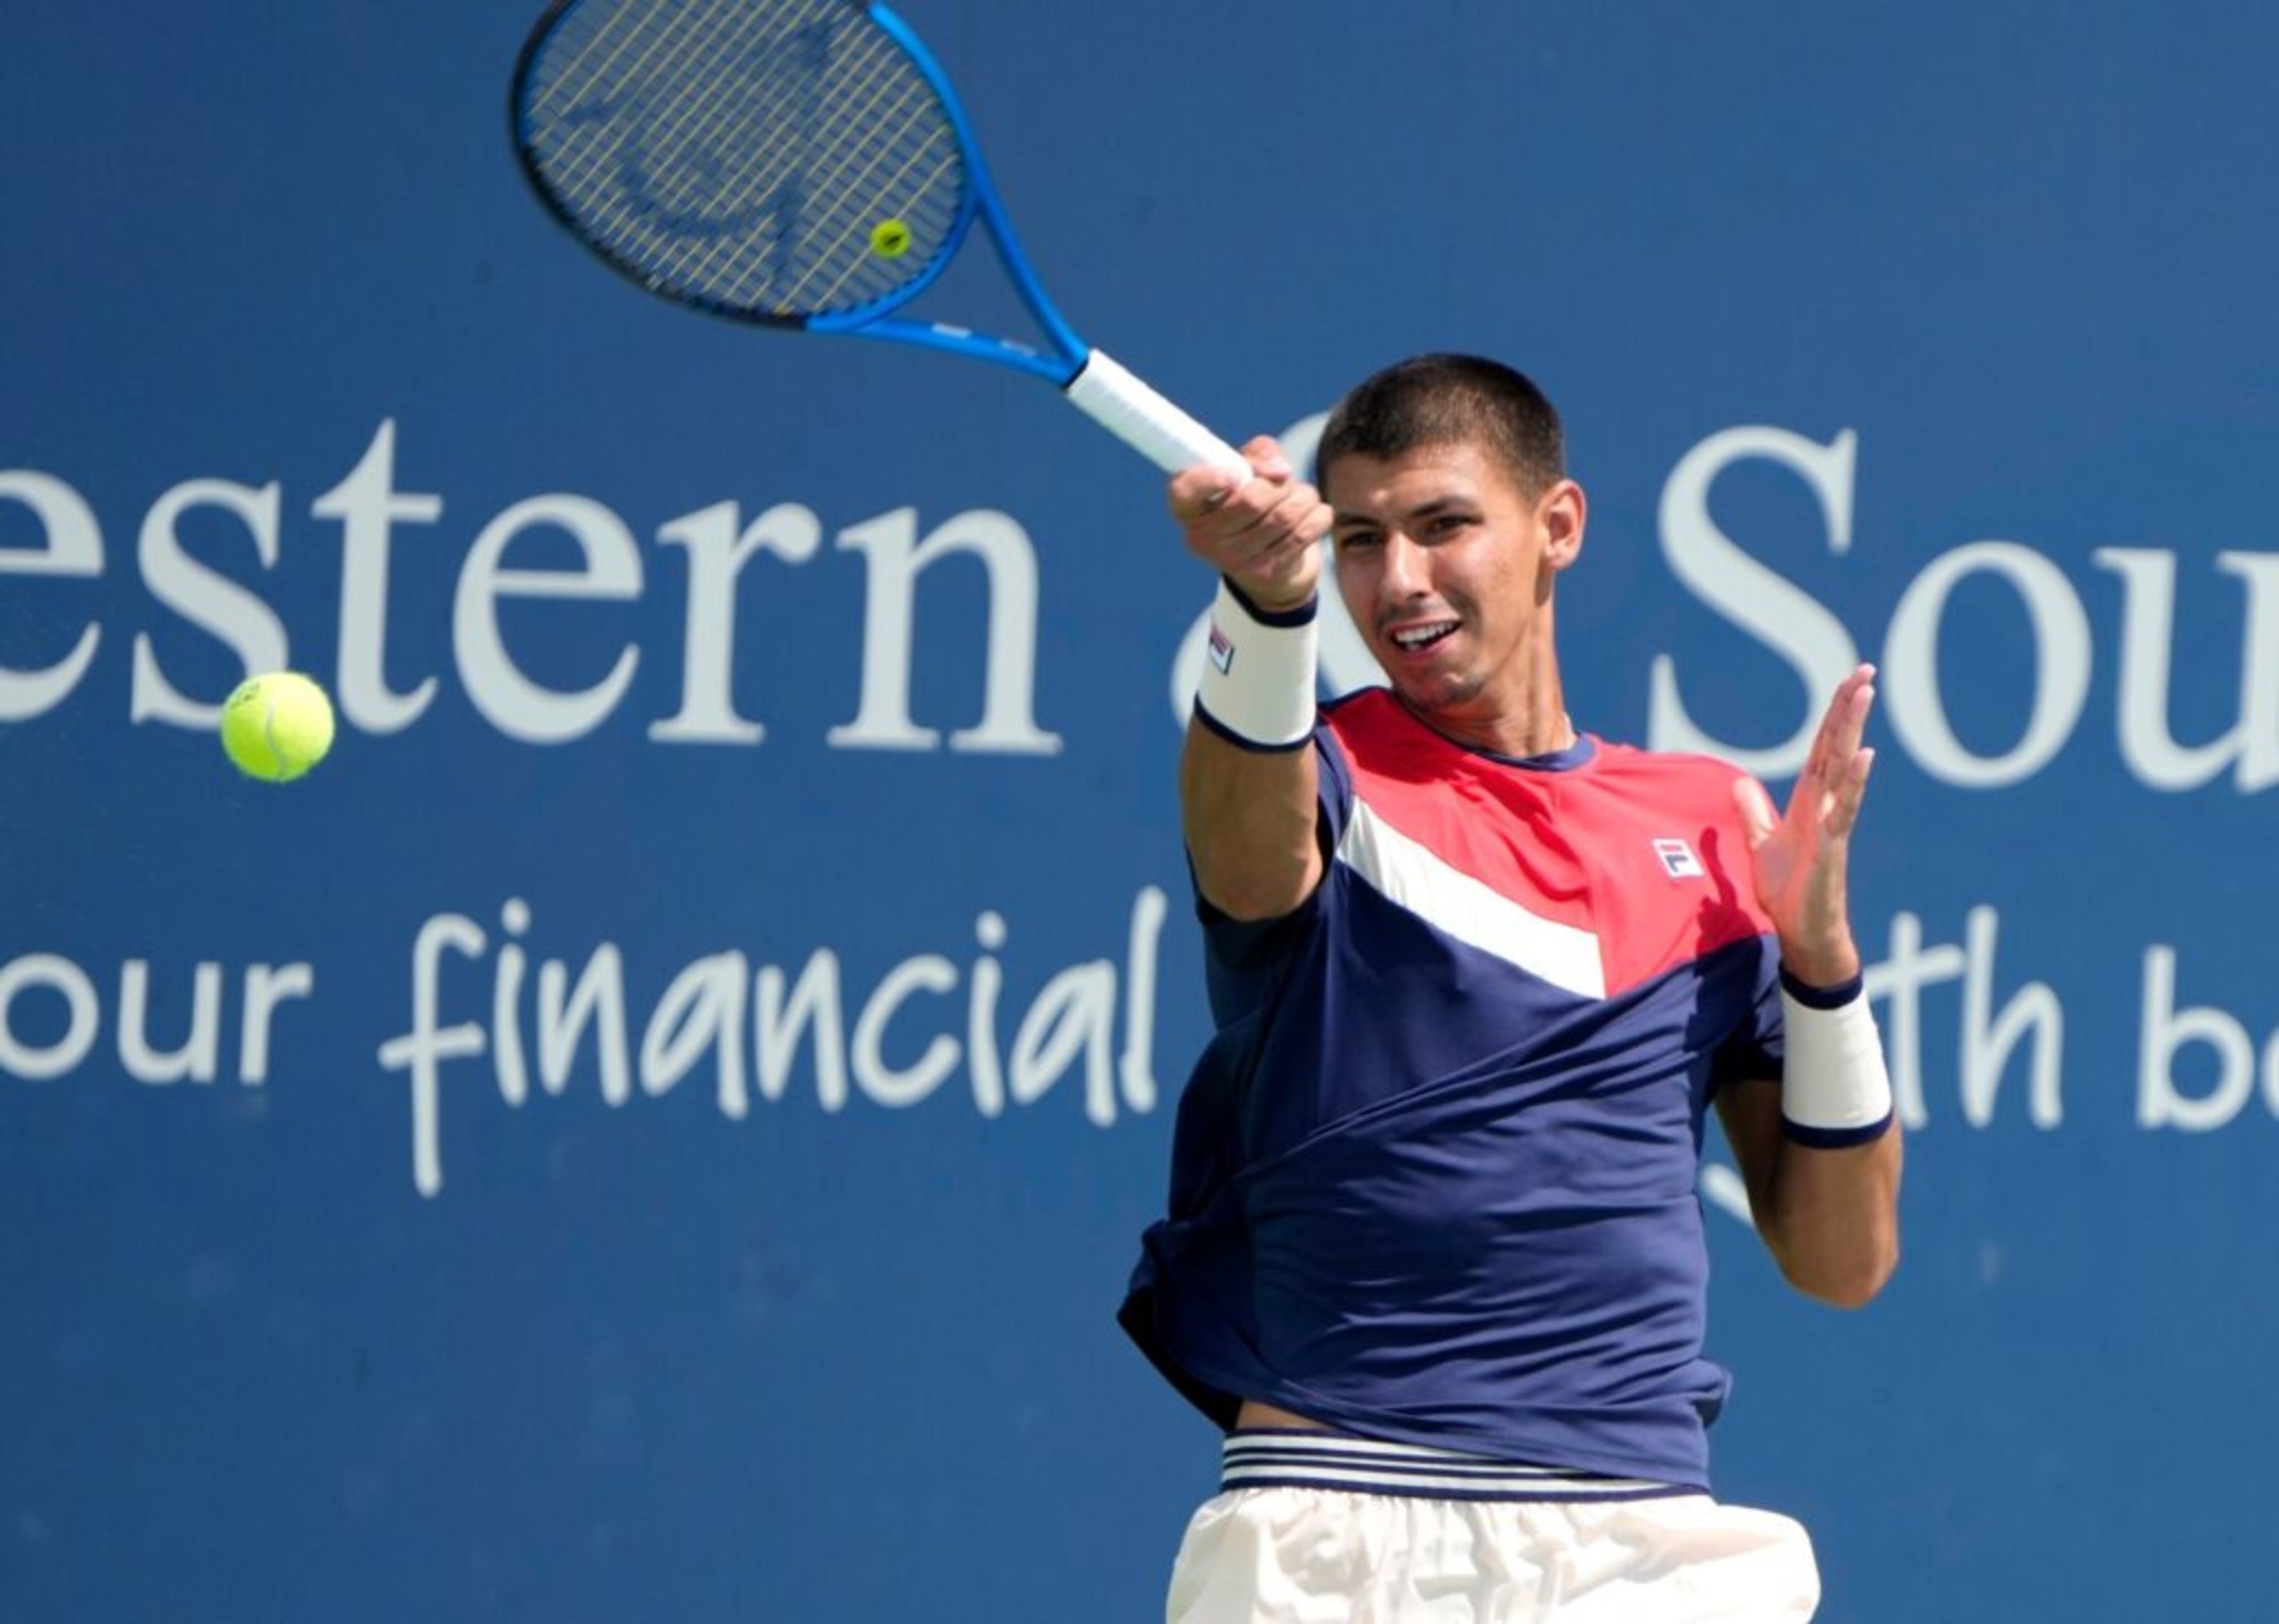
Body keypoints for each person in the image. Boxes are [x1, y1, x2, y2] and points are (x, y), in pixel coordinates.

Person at [1118, 354, 1903, 1623]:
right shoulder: (1321, 772)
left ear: (1557, 527)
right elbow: (1248, 853)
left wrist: (1818, 963)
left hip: (1637, 1542)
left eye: (1442, 526)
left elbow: (1843, 1256)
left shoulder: (1713, 827)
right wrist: (1263, 605)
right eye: (1362, 539)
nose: (1400, 581)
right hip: (1333, 1522)